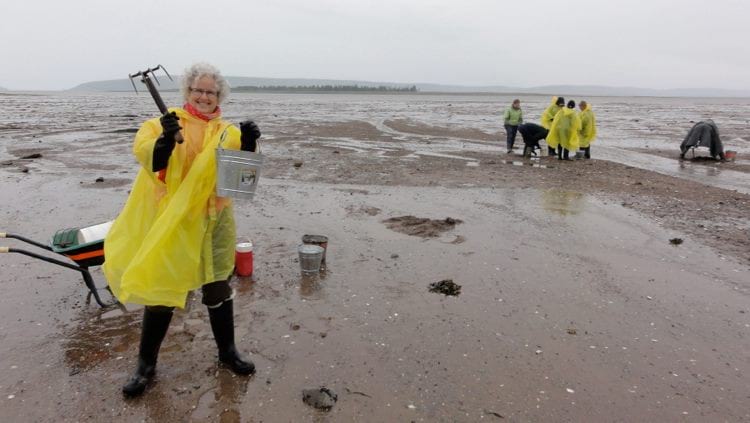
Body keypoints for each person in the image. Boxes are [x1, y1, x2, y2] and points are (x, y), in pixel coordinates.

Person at [103, 62, 262, 397]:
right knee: (162, 289)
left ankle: (227, 352)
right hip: (175, 221)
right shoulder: (164, 123)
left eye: (211, 92)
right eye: (198, 90)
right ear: (188, 92)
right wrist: (163, 140)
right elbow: (151, 160)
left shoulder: (227, 133)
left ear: (220, 95)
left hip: (216, 221)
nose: (204, 96)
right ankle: (145, 365)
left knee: (218, 285)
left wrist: (248, 146)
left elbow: (241, 183)